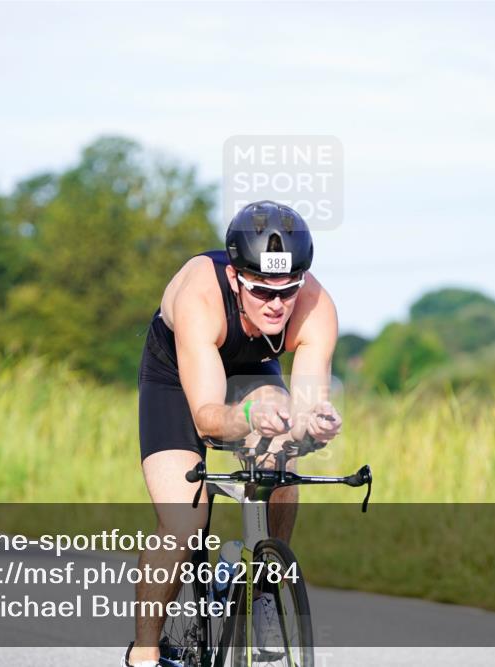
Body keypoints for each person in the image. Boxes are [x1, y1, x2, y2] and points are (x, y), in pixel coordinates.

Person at [123, 200, 343, 667]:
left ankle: (266, 585)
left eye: (288, 291)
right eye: (262, 291)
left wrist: (314, 425)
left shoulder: (317, 308)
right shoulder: (200, 297)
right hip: (175, 376)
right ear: (234, 279)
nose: (277, 305)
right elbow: (206, 417)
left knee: (283, 461)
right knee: (184, 519)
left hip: (254, 367)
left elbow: (306, 407)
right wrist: (249, 412)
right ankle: (144, 651)